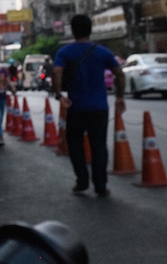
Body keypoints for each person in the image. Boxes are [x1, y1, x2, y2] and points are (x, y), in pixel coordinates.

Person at [51, 14, 124, 197]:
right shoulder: (102, 52)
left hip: (76, 107)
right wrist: (120, 97)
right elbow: (120, 73)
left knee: (75, 144)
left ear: (72, 30)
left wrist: (59, 95)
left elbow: (57, 72)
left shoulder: (65, 52)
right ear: (91, 30)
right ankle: (101, 185)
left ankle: (82, 181)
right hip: (99, 107)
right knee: (99, 146)